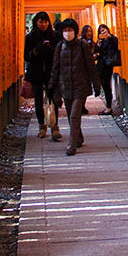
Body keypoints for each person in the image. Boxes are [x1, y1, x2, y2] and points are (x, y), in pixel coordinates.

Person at [48, 18, 95, 156]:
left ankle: (72, 144)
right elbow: (55, 68)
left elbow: (90, 65)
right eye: (65, 30)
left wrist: (96, 85)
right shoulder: (59, 47)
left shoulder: (83, 45)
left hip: (80, 86)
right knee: (70, 115)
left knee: (74, 114)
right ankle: (79, 137)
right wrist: (52, 86)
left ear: (75, 31)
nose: (67, 33)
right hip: (65, 86)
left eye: (70, 30)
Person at [23, 12, 61, 140]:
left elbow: (59, 53)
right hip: (36, 73)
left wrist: (50, 49)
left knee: (53, 100)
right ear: (36, 23)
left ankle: (55, 127)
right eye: (40, 22)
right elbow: (26, 56)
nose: (43, 24)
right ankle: (41, 126)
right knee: (38, 101)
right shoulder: (30, 37)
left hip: (51, 73)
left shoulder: (54, 35)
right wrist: (37, 50)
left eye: (45, 22)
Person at [93, 24, 119, 115]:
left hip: (108, 65)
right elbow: (97, 52)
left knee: (106, 85)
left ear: (107, 30)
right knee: (104, 85)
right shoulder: (101, 41)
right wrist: (98, 45)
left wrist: (110, 38)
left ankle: (109, 107)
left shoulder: (112, 38)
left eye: (104, 30)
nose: (103, 32)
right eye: (101, 32)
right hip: (101, 65)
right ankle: (107, 104)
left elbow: (115, 46)